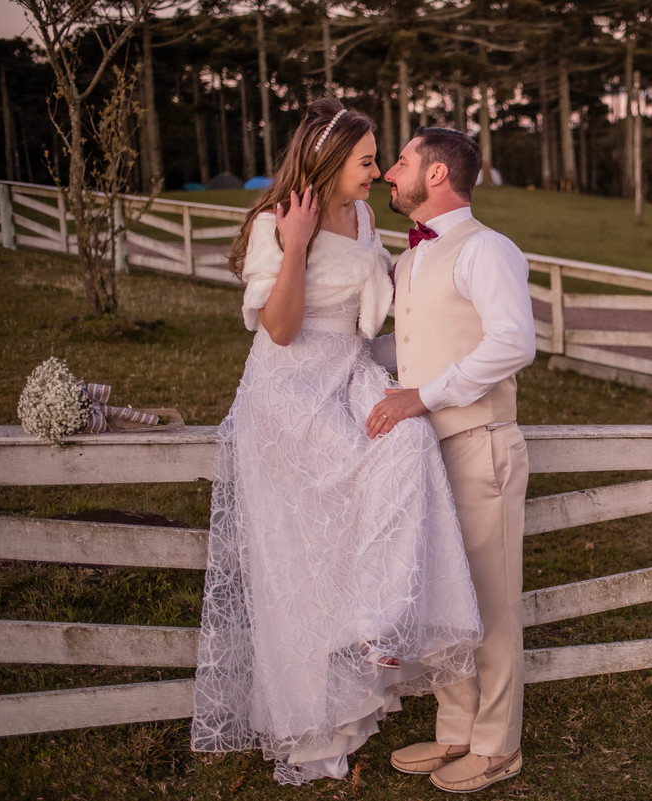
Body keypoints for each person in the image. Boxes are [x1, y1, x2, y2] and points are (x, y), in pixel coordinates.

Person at [191, 100, 483, 786]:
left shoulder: (365, 218)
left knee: (407, 445)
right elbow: (282, 329)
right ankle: (312, 726)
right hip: (288, 391)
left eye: (379, 158)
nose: (378, 171)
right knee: (304, 565)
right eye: (365, 161)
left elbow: (373, 314)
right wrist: (294, 245)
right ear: (327, 162)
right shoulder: (274, 224)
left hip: (348, 374)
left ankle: (376, 624)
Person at [366, 127, 536, 793]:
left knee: (490, 603)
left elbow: (513, 341)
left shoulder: (487, 249)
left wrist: (425, 397)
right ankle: (456, 730)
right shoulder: (409, 261)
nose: (389, 173)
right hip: (423, 458)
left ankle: (497, 745)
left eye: (401, 161)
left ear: (437, 174)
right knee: (444, 596)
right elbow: (411, 354)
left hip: (478, 445)